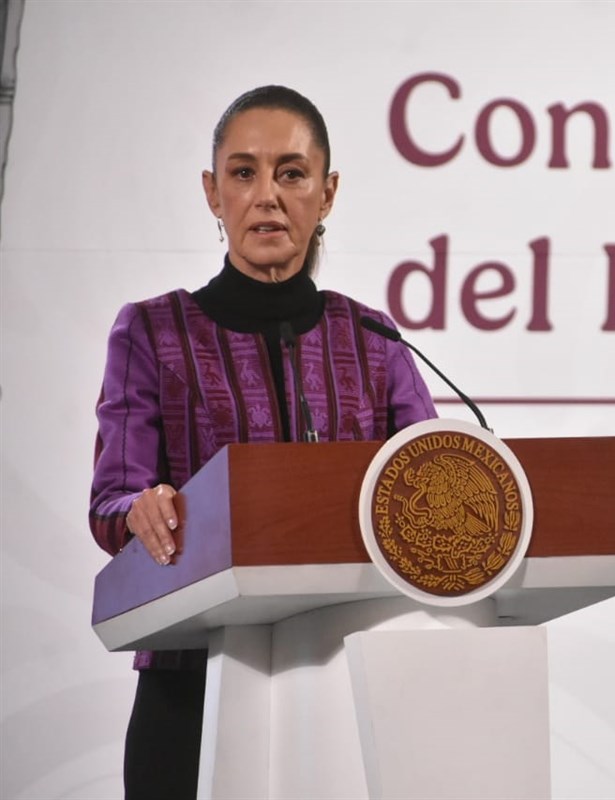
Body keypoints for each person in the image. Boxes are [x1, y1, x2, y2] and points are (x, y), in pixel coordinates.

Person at [88, 85, 436, 800]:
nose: (268, 196)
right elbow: (110, 500)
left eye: (292, 172)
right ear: (213, 194)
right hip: (192, 686)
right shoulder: (153, 333)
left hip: (349, 682)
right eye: (244, 173)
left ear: (327, 192)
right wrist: (139, 508)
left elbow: (431, 481)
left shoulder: (373, 340)